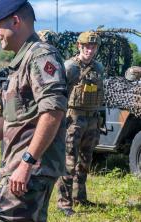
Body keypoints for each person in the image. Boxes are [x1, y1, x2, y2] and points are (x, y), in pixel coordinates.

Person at [0, 0, 68, 221]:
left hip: (30, 169)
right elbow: (13, 117)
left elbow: (53, 111)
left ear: (15, 21)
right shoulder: (23, 60)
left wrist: (27, 162)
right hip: (25, 168)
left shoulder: (40, 56)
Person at [56, 31, 105, 216]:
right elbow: (58, 94)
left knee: (85, 161)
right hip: (73, 120)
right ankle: (64, 203)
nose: (90, 50)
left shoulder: (98, 68)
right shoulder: (69, 67)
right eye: (86, 46)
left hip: (92, 119)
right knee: (69, 162)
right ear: (79, 46)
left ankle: (80, 197)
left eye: (93, 47)